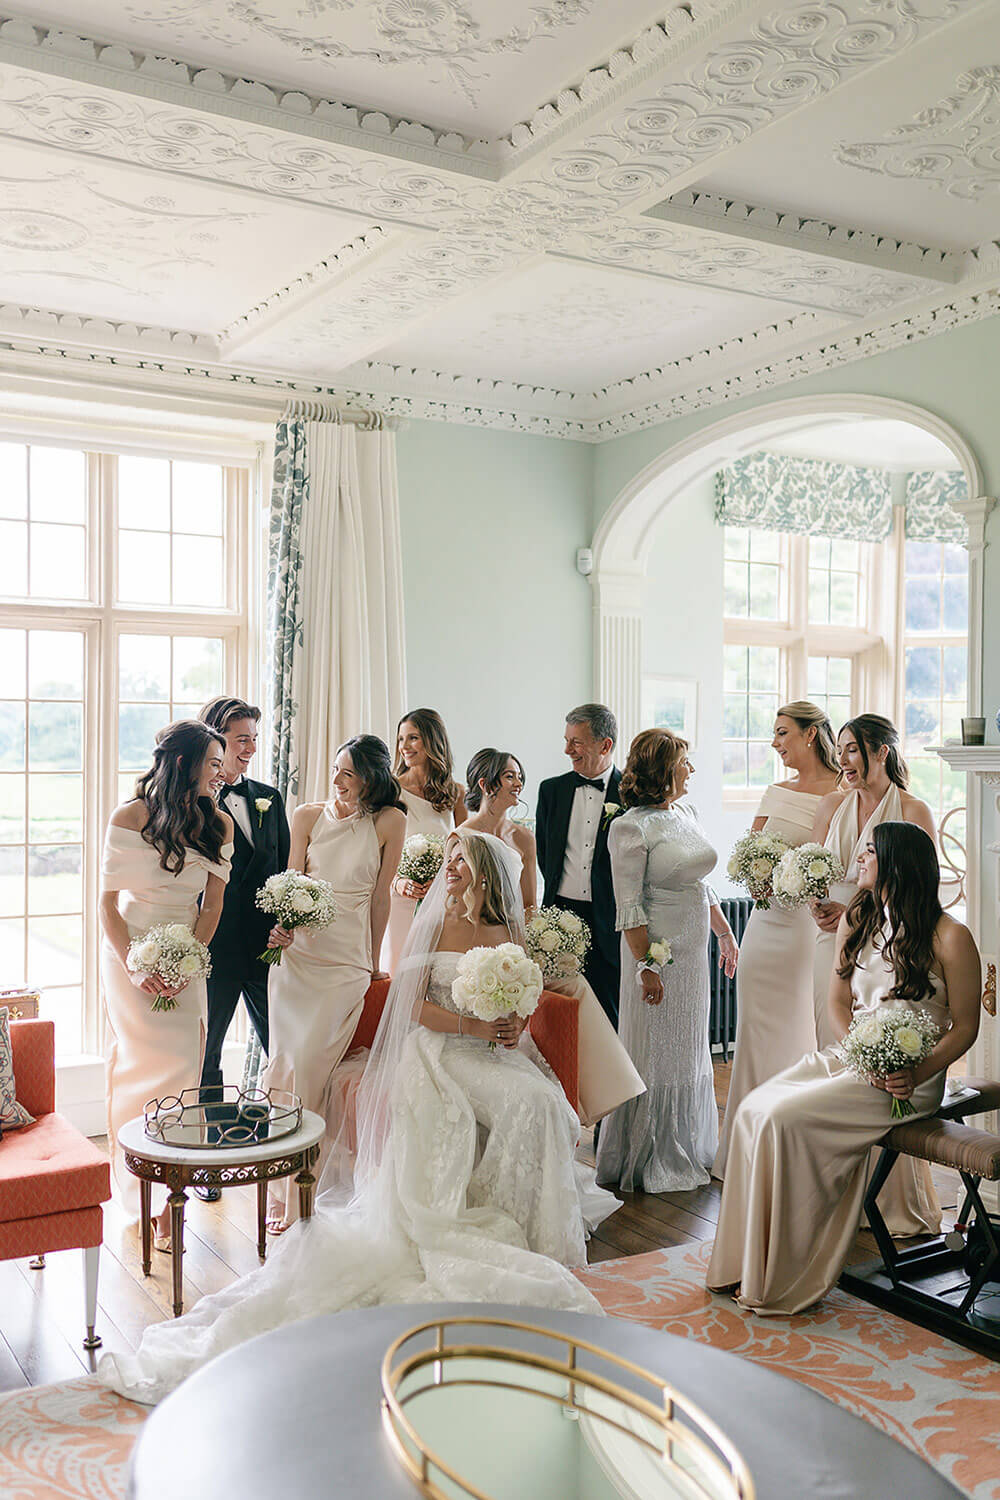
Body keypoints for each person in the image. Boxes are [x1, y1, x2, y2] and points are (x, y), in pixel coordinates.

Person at [98, 828, 617, 1407]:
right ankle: (484, 1224)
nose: (450, 868)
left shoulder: (508, 929)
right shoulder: (434, 922)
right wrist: (470, 1026)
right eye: (448, 858)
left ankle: (531, 1227)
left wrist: (510, 1023)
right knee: (525, 1102)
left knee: (543, 1101)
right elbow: (410, 1004)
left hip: (492, 1053)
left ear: (486, 872)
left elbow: (520, 1001)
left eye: (461, 860)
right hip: (441, 1049)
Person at [707, 822, 980, 1315]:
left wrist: (914, 1073)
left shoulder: (951, 936)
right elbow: (837, 1001)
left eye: (870, 851)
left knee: (783, 1120)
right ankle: (742, 1263)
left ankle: (782, 1275)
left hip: (908, 1079)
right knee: (753, 1108)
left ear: (897, 862)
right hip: (853, 1055)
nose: (859, 858)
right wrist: (857, 1048)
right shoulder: (859, 918)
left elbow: (965, 1027)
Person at [262, 735, 406, 1231]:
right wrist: (282, 927)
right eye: (335, 769)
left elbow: (382, 897)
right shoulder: (306, 816)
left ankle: (305, 1186)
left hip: (345, 965)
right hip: (297, 960)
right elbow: (291, 884)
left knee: (309, 1068)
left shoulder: (390, 821)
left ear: (370, 777)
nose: (337, 780)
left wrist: (373, 961)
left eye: (348, 772)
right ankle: (281, 1189)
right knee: (284, 1066)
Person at [462, 745, 646, 1127]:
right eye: (510, 776)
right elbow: (458, 906)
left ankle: (603, 1094)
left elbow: (530, 905)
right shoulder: (463, 836)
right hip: (476, 942)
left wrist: (534, 951)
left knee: (576, 985)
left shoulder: (523, 838)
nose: (518, 783)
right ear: (485, 783)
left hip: (515, 943)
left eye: (519, 776)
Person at [99, 721, 233, 1242]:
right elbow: (108, 906)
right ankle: (139, 1195)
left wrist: (189, 961)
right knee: (138, 1075)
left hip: (187, 960)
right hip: (129, 956)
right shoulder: (128, 817)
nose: (220, 774)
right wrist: (136, 965)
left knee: (182, 1079)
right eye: (213, 764)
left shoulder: (217, 824)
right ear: (184, 763)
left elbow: (212, 906)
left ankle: (171, 1202)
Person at [810, 714, 940, 1238]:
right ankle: (840, 1197)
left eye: (852, 750)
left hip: (888, 944)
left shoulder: (913, 810)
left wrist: (858, 913)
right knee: (835, 1044)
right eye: (839, 749)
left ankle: (889, 1201)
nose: (842, 760)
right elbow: (815, 871)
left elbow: (921, 888)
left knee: (886, 1056)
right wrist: (818, 906)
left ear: (882, 751)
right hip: (833, 940)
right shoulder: (833, 805)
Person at [597, 729, 738, 1193]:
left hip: (694, 953)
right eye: (684, 763)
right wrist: (647, 966)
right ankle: (647, 1156)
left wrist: (724, 932)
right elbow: (628, 906)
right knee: (654, 1051)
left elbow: (701, 884)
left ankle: (688, 1146)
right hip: (655, 951)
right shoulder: (629, 827)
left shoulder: (686, 813)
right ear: (663, 769)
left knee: (689, 1048)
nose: (691, 770)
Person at [713, 702, 840, 1178]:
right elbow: (750, 854)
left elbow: (839, 864)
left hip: (808, 930)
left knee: (802, 1031)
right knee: (754, 1033)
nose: (774, 742)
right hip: (765, 928)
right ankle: (745, 1152)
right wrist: (757, 877)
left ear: (810, 734)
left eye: (782, 732)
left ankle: (795, 1152)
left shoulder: (843, 793)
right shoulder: (775, 791)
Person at [195, 696, 289, 1195]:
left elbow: (283, 873)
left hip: (266, 951)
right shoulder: (194, 809)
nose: (250, 747)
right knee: (207, 1054)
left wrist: (286, 925)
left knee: (283, 1046)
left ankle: (278, 1150)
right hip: (214, 950)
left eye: (255, 737)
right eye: (241, 739)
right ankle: (210, 1162)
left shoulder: (270, 798)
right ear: (217, 741)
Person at [536, 705, 623, 1029]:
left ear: (605, 745)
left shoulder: (631, 793)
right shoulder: (551, 790)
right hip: (560, 919)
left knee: (609, 1014)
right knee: (560, 1015)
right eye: (567, 740)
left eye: (576, 742)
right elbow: (545, 854)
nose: (567, 750)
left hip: (611, 921)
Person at [384, 707, 466, 972]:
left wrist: (444, 883)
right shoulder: (391, 790)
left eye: (413, 738)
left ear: (432, 740)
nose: (404, 746)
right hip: (402, 898)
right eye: (401, 739)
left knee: (438, 972)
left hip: (442, 898)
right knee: (401, 971)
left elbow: (466, 851)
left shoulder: (456, 792)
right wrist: (398, 882)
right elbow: (376, 850)